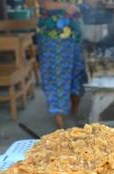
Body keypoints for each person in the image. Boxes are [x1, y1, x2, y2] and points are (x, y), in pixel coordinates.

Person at [37, 0, 86, 128]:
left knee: (77, 75)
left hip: (73, 38)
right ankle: (60, 124)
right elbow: (44, 4)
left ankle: (73, 113)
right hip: (54, 41)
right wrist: (66, 8)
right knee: (57, 78)